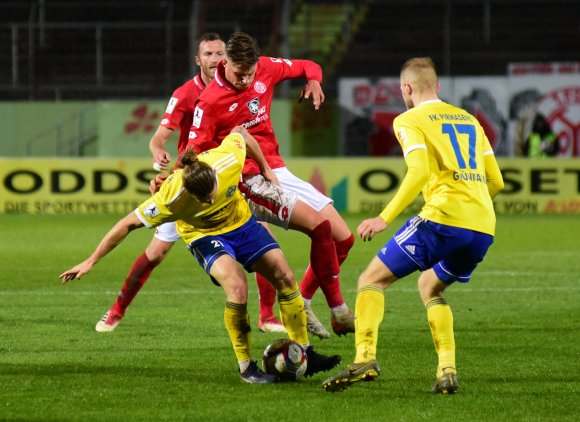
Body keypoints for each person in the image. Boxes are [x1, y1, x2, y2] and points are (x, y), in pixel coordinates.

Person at [60, 127, 341, 383]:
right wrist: (90, 260)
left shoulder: (227, 160)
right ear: (187, 191)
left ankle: (304, 351)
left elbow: (241, 133)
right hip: (205, 236)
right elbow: (126, 224)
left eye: (212, 193)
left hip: (241, 224)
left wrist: (266, 169)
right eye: (202, 199)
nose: (209, 200)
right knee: (237, 286)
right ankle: (247, 367)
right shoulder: (170, 198)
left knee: (284, 275)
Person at [322, 57, 505, 393]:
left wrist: (383, 217)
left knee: (370, 280)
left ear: (406, 88)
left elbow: (418, 171)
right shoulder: (470, 120)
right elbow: (496, 181)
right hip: (482, 225)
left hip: (442, 219)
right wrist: (469, 204)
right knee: (430, 287)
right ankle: (447, 370)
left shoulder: (410, 118)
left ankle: (364, 358)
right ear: (437, 86)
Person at [95, 32, 286, 334]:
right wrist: (160, 156)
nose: (215, 60)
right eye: (208, 54)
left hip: (228, 176)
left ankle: (267, 316)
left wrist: (263, 167)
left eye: (220, 54)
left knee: (262, 234)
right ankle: (116, 310)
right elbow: (160, 137)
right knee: (155, 253)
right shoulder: (186, 94)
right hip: (192, 182)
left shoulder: (243, 85)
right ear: (198, 60)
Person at [187, 32, 356, 339]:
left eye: (250, 75)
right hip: (248, 179)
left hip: (277, 168)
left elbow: (308, 65)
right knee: (318, 228)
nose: (245, 81)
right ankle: (339, 311)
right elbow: (193, 151)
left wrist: (314, 81)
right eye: (239, 74)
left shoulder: (265, 67)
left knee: (343, 239)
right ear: (225, 64)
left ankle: (302, 301)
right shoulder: (209, 101)